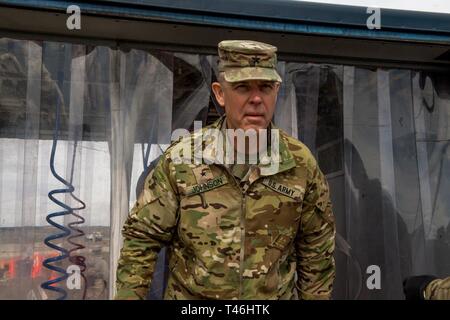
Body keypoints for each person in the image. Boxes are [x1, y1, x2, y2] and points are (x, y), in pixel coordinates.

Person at [116, 40, 336, 300]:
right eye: (243, 87)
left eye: (265, 87)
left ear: (277, 91)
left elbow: (316, 252)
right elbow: (141, 240)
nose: (256, 99)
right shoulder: (183, 160)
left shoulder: (300, 165)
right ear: (220, 93)